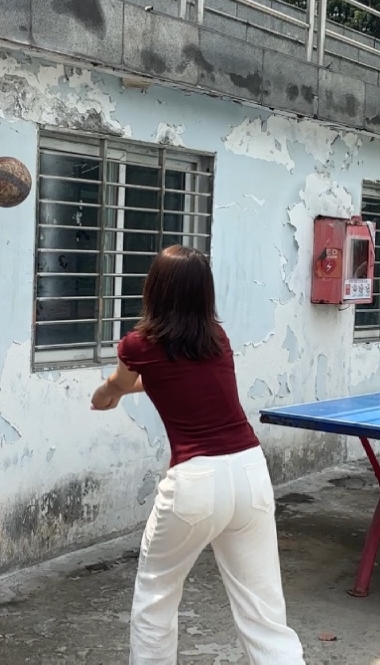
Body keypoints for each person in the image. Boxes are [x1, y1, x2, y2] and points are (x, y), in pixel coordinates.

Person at [90, 245, 305, 665]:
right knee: (264, 613)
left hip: (196, 482)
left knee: (156, 595)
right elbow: (165, 377)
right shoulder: (216, 340)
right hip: (250, 472)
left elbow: (121, 383)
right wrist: (122, 390)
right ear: (205, 293)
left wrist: (104, 396)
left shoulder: (138, 345)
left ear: (155, 288)